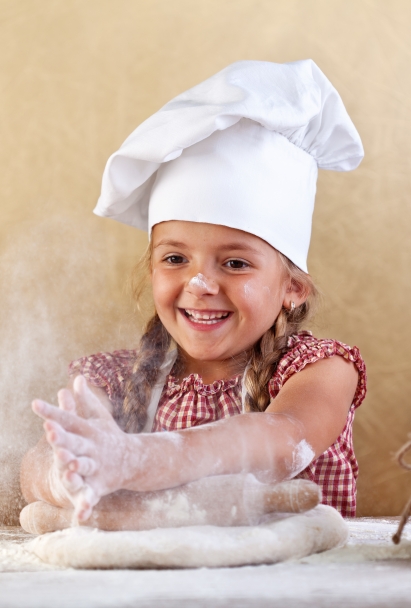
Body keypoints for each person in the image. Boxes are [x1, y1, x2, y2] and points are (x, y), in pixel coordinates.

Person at [20, 60, 366, 531]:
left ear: (293, 288)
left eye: (235, 263)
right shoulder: (117, 378)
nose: (200, 285)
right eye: (175, 259)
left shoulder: (318, 370)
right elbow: (39, 464)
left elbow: (283, 440)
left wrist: (138, 460)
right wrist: (70, 473)